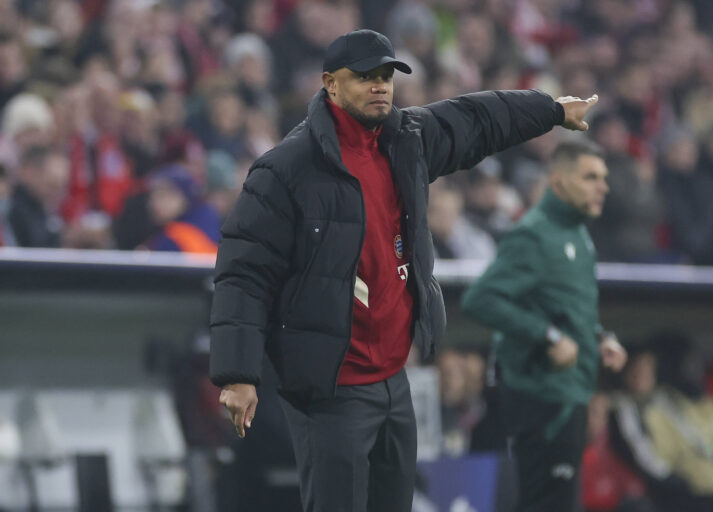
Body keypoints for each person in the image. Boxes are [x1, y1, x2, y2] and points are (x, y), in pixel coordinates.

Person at [210, 29, 598, 512]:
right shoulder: (286, 169)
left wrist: (553, 111)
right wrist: (237, 373)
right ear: (330, 84)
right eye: (365, 77)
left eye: (387, 76)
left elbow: (478, 119)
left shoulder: (406, 139)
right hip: (331, 388)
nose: (380, 86)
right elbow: (244, 271)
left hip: (394, 379)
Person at [461, 139, 627, 512]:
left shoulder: (579, 236)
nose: (603, 186)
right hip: (541, 396)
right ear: (559, 182)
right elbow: (481, 299)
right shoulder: (533, 234)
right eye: (590, 177)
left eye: (603, 177)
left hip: (572, 392)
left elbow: (569, 310)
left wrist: (601, 338)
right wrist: (548, 336)